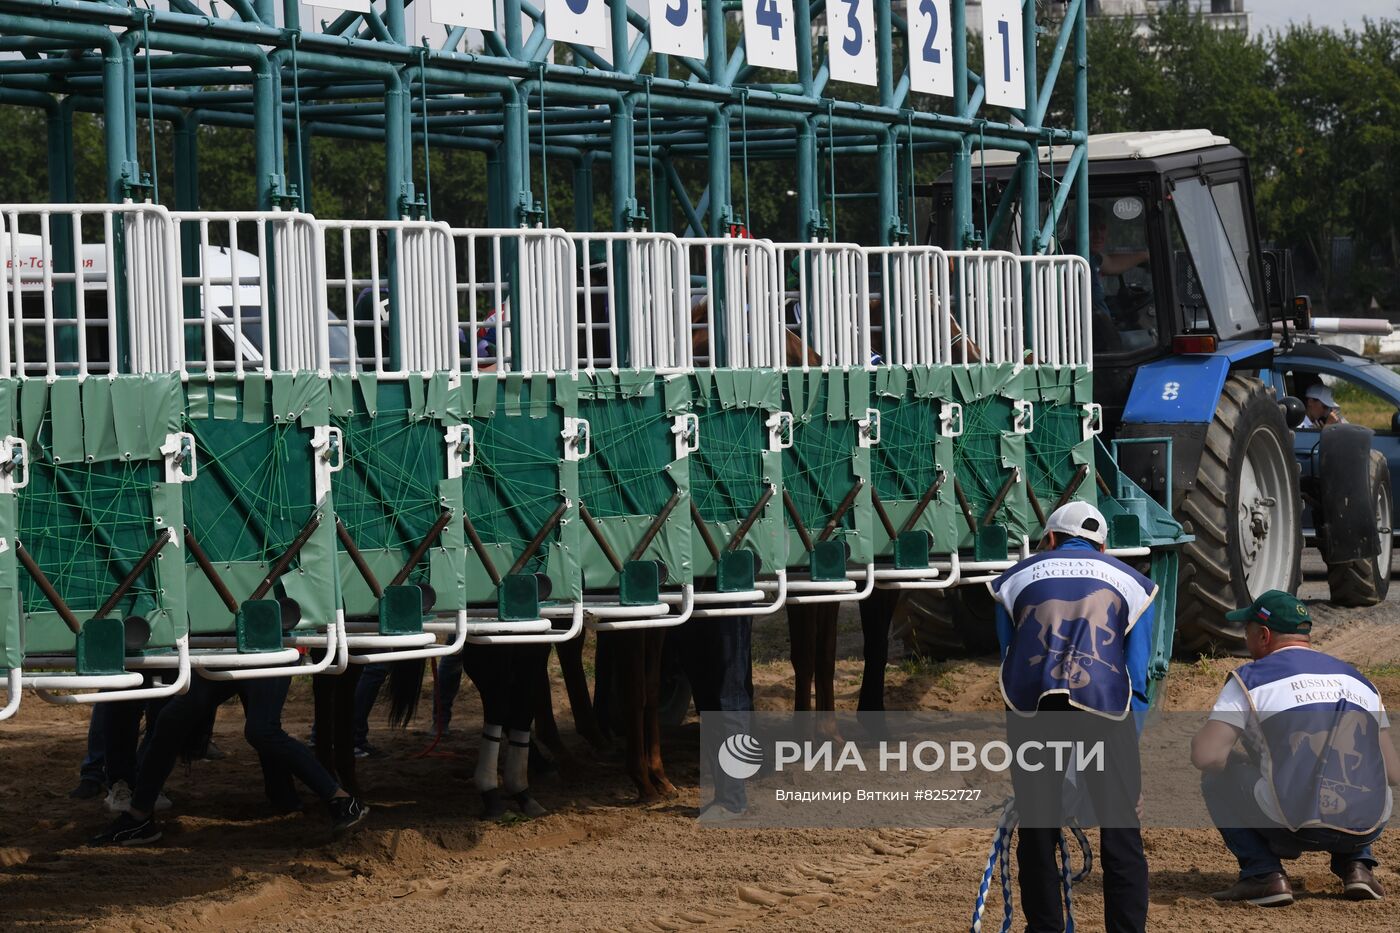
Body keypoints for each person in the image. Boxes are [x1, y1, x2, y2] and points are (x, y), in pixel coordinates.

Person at [990, 501, 1158, 933]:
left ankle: (1044, 927)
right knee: (1120, 826)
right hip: (1103, 703)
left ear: (1048, 540)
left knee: (1038, 825)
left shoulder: (1014, 579)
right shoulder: (1134, 584)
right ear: (1102, 547)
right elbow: (1136, 678)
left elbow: (1010, 654)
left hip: (1031, 705)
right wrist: (1128, 764)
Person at [1191, 590, 1399, 906]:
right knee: (1368, 776)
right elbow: (1393, 772)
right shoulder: (1358, 679)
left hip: (1292, 823)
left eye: (1246, 631)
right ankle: (1358, 866)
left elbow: (1206, 757)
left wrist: (1237, 757)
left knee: (1215, 778)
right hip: (1366, 823)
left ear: (1263, 635)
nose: (1245, 640)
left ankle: (1264, 874)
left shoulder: (1250, 678)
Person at [89, 674, 368, 846]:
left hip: (263, 642)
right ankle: (139, 818)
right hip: (218, 648)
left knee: (262, 730)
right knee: (170, 719)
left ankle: (342, 800)